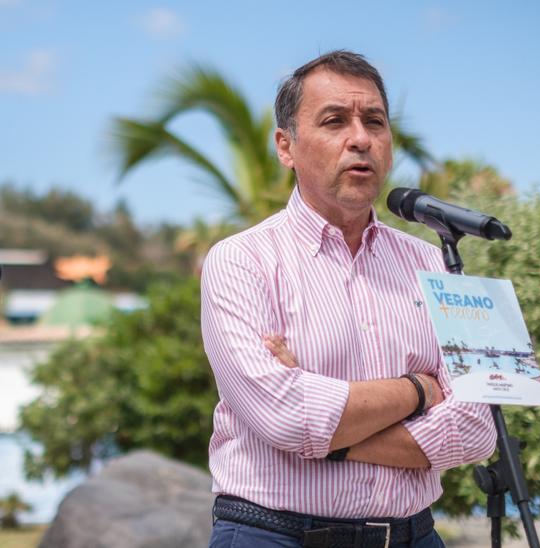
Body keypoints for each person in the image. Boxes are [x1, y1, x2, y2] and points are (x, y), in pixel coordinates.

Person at [200, 50, 498, 547]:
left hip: (411, 535)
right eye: (334, 121)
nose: (360, 138)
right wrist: (421, 391)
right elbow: (285, 416)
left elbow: (478, 427)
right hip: (273, 534)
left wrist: (330, 437)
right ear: (286, 146)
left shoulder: (434, 264)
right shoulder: (240, 261)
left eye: (374, 122)